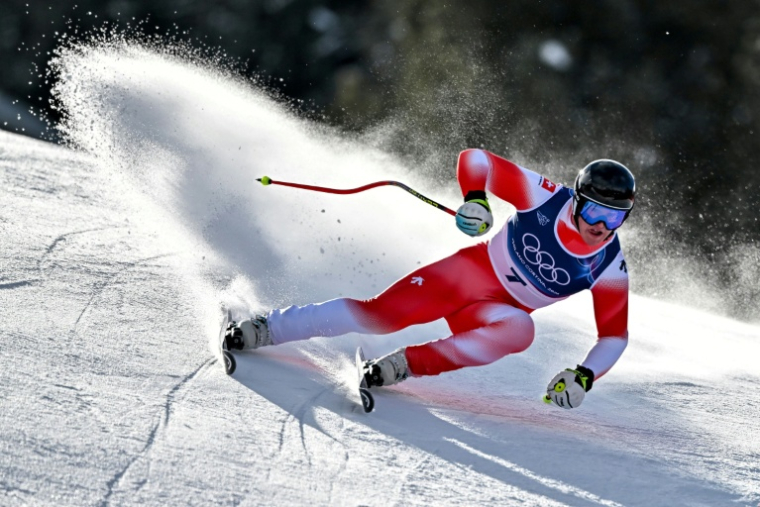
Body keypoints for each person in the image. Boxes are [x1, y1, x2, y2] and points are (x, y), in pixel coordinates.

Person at [225, 149, 635, 409]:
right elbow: (477, 159)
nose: (602, 226)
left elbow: (614, 335)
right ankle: (267, 328)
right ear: (577, 200)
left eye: (615, 218)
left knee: (521, 330)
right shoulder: (546, 197)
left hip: (495, 310)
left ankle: (403, 366)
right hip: (466, 276)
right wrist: (476, 199)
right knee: (380, 316)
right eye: (596, 212)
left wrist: (584, 375)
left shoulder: (608, 265)